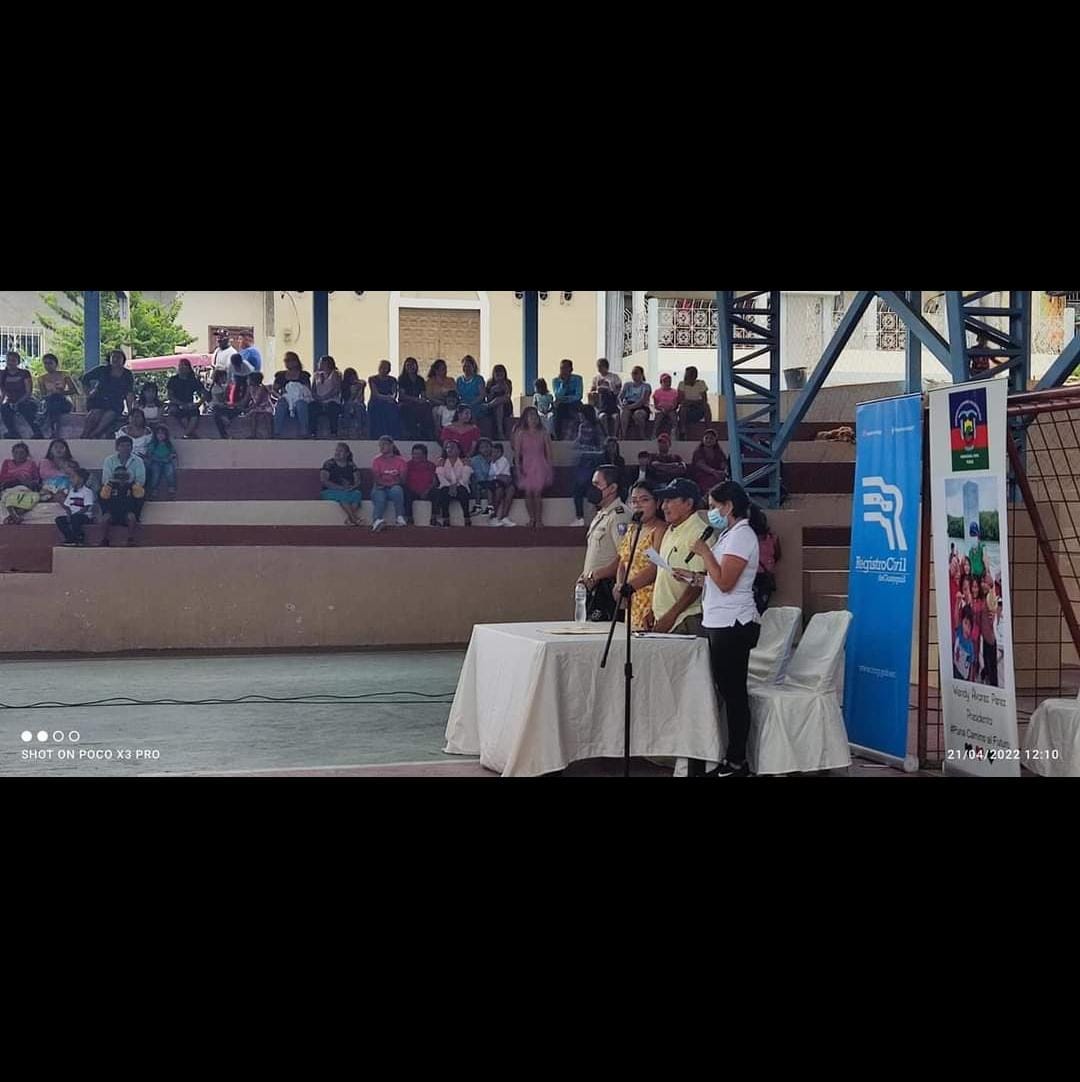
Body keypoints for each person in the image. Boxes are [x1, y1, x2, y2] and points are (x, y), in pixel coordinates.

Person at [675, 480, 763, 778]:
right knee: (725, 689)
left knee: (733, 693)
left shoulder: (742, 535)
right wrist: (693, 578)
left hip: (733, 623)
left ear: (728, 506)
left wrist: (704, 553)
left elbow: (726, 582)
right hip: (718, 621)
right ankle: (728, 756)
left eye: (714, 506)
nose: (710, 512)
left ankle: (737, 761)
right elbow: (715, 579)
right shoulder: (728, 535)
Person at [649, 478, 706, 636]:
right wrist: (654, 609)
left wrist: (670, 616)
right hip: (664, 619)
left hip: (684, 619)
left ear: (688, 503)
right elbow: (663, 573)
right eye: (663, 501)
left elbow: (697, 585)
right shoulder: (671, 529)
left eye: (669, 501)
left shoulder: (699, 532)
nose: (663, 507)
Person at [576, 465, 630, 621]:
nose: (592, 489)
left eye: (597, 484)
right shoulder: (602, 514)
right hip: (593, 587)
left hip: (607, 588)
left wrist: (595, 575)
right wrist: (586, 576)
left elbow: (624, 557)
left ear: (612, 488)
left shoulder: (619, 515)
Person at [613, 481, 668, 631]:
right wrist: (619, 585)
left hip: (650, 599)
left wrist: (629, 586)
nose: (638, 505)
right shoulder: (632, 529)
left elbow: (656, 568)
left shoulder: (660, 529)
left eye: (644, 500)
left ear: (657, 503)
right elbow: (623, 562)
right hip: (630, 598)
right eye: (634, 501)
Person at [99, 436, 146, 546]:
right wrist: (117, 482)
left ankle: (130, 539)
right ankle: (104, 539)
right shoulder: (109, 460)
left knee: (132, 516)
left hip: (131, 490)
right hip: (112, 493)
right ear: (117, 447)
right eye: (122, 445)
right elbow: (105, 480)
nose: (125, 448)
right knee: (105, 517)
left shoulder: (138, 461)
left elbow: (141, 480)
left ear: (132, 447)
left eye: (128, 445)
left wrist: (127, 482)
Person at [513, 407, 554, 528]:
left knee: (537, 493)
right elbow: (517, 454)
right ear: (525, 418)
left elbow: (549, 453)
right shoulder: (520, 433)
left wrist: (550, 469)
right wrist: (518, 469)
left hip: (540, 465)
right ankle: (531, 518)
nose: (533, 418)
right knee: (528, 493)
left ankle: (539, 519)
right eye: (530, 416)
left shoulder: (544, 433)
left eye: (535, 416)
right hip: (526, 465)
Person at [81, 350, 136, 440]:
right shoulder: (102, 370)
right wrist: (88, 393)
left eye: (118, 357)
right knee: (95, 413)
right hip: (98, 400)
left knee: (110, 415)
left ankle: (95, 434)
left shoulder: (127, 374)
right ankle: (84, 435)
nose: (115, 359)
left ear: (123, 360)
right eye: (113, 357)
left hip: (115, 403)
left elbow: (129, 394)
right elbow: (85, 378)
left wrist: (130, 412)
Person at [571, 406, 607, 527]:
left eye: (581, 414)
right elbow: (577, 444)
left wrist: (584, 449)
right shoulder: (584, 426)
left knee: (591, 490)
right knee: (580, 490)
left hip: (592, 463)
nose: (579, 416)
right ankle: (583, 517)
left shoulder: (594, 427)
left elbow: (601, 447)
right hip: (586, 463)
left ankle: (589, 517)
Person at [1, 351, 43, 440]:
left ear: (18, 362)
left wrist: (18, 402)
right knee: (4, 408)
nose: (10, 363)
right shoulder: (3, 374)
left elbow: (28, 392)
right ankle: (12, 432)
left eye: (13, 360)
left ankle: (37, 432)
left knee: (25, 408)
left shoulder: (24, 373)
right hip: (10, 401)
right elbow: (3, 392)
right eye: (8, 360)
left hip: (25, 400)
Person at [320, 442, 365, 527]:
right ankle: (354, 519)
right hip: (329, 491)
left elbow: (358, 481)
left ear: (347, 454)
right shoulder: (328, 464)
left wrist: (352, 487)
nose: (337, 453)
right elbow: (324, 480)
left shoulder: (351, 465)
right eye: (337, 450)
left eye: (340, 451)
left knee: (357, 494)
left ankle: (349, 519)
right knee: (343, 497)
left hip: (347, 491)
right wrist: (340, 488)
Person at [37, 354, 80, 439]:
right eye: (45, 363)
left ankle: (51, 428)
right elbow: (43, 395)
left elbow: (75, 390)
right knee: (53, 402)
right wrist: (50, 394)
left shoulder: (64, 374)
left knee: (56, 399)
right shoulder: (41, 378)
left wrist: (62, 392)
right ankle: (54, 431)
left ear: (56, 364)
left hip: (64, 401)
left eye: (50, 363)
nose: (48, 366)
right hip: (51, 402)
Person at [370, 436, 408, 532]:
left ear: (391, 445)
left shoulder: (401, 461)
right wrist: (388, 484)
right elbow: (376, 479)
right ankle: (376, 521)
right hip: (380, 487)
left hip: (394, 487)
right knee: (380, 497)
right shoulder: (376, 460)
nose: (382, 447)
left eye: (384, 444)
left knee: (397, 490)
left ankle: (400, 517)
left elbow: (402, 480)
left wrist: (390, 484)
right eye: (380, 445)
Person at [272, 352, 313, 438]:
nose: (286, 363)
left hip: (300, 397)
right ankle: (276, 431)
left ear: (295, 362)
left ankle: (304, 431)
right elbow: (274, 390)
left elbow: (307, 390)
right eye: (285, 361)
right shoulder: (281, 375)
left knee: (301, 404)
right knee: (281, 403)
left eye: (289, 360)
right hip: (286, 397)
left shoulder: (303, 375)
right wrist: (280, 396)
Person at [434, 440, 473, 528]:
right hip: (446, 486)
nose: (449, 449)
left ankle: (467, 517)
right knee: (443, 492)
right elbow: (441, 478)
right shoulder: (441, 461)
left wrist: (455, 486)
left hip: (461, 485)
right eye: (448, 447)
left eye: (452, 447)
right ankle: (445, 518)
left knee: (462, 491)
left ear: (459, 450)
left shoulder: (465, 461)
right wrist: (450, 486)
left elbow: (465, 478)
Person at [0, 442, 41, 524]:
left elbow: (37, 480)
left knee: (35, 497)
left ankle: (11, 516)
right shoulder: (7, 462)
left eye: (22, 453)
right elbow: (2, 478)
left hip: (25, 487)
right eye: (16, 452)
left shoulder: (31, 464)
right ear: (12, 453)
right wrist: (17, 478)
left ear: (27, 454)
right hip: (9, 487)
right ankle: (13, 515)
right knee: (7, 496)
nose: (19, 455)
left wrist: (27, 482)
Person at [168, 358, 209, 440]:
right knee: (179, 414)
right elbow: (170, 396)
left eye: (184, 366)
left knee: (194, 414)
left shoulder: (193, 380)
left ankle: (186, 434)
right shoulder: (173, 380)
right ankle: (191, 434)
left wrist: (198, 404)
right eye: (180, 366)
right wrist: (181, 404)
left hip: (190, 405)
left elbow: (205, 393)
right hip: (176, 405)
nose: (181, 368)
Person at [55, 467, 96, 546]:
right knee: (59, 520)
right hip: (73, 515)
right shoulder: (71, 491)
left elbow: (86, 508)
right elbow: (67, 506)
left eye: (73, 477)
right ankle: (70, 538)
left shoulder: (87, 491)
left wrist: (74, 515)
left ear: (81, 480)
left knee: (75, 519)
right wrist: (68, 514)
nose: (71, 480)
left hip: (84, 516)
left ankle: (80, 538)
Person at [753, 511, 782, 614]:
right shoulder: (773, 538)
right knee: (762, 606)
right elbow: (777, 555)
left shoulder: (749, 539)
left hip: (753, 576)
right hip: (766, 575)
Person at [403, 444, 438, 526]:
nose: (415, 456)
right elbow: (404, 481)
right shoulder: (408, 465)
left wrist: (427, 490)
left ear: (425, 455)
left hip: (427, 491)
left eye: (418, 454)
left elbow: (434, 481)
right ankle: (409, 518)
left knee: (436, 492)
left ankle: (433, 518)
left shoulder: (431, 465)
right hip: (412, 491)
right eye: (414, 454)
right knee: (405, 492)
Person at [310, 356, 343, 438]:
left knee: (332, 408)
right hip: (319, 401)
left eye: (321, 362)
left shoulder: (335, 374)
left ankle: (333, 432)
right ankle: (312, 432)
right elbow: (313, 390)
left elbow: (336, 389)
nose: (319, 364)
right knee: (312, 407)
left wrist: (325, 397)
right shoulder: (316, 375)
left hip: (332, 400)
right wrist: (317, 398)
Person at [398, 357, 430, 440]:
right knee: (406, 408)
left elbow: (423, 394)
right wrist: (415, 399)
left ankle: (424, 433)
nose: (410, 367)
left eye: (412, 365)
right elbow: (402, 395)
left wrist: (423, 399)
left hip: (417, 402)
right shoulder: (402, 379)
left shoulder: (420, 379)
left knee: (426, 407)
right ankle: (409, 432)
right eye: (408, 365)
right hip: (405, 402)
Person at [589, 358, 623, 437]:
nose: (599, 368)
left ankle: (615, 435)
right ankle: (606, 436)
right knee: (602, 416)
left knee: (616, 417)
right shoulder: (596, 378)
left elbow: (619, 390)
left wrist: (610, 389)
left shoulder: (614, 377)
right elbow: (592, 391)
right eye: (598, 366)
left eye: (601, 366)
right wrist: (597, 390)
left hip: (612, 402)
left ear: (606, 366)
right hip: (601, 404)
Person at [368, 360, 401, 442]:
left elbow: (394, 393)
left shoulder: (393, 380)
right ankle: (377, 435)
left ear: (389, 369)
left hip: (389, 402)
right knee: (378, 408)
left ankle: (392, 434)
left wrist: (391, 398)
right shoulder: (372, 379)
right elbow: (375, 394)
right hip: (377, 401)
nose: (383, 369)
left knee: (392, 408)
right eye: (381, 367)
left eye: (385, 368)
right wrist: (387, 398)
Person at [553, 359, 584, 440]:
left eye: (566, 368)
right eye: (561, 368)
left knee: (579, 409)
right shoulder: (556, 381)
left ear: (571, 369)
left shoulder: (578, 379)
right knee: (557, 409)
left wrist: (566, 399)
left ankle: (580, 435)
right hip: (562, 404)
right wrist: (563, 383)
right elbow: (558, 395)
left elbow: (578, 396)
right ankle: (558, 437)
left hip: (574, 403)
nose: (563, 370)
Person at [677, 367, 712, 439]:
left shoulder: (701, 383)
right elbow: (681, 401)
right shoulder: (682, 384)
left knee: (706, 406)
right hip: (687, 409)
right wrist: (695, 402)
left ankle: (709, 430)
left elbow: (704, 399)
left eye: (690, 375)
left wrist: (691, 402)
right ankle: (683, 431)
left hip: (698, 408)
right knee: (683, 408)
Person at [618, 366, 652, 439]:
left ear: (641, 374)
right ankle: (624, 436)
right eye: (633, 373)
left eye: (636, 373)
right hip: (628, 404)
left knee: (638, 414)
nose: (634, 375)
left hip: (641, 406)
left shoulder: (646, 386)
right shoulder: (627, 385)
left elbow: (643, 400)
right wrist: (622, 405)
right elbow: (620, 397)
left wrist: (630, 407)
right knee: (624, 413)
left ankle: (642, 435)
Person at [426, 360, 457, 437]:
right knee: (436, 411)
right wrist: (441, 403)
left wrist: (448, 402)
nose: (445, 371)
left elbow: (454, 393)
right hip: (435, 404)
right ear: (436, 370)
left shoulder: (451, 380)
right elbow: (429, 396)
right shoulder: (430, 381)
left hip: (450, 403)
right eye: (442, 369)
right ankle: (438, 431)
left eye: (445, 368)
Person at [147, 424, 179, 500]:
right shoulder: (153, 445)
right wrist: (158, 459)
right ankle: (154, 489)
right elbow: (150, 455)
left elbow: (173, 453)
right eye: (158, 433)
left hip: (167, 461)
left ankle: (171, 487)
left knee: (170, 471)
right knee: (155, 474)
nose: (161, 435)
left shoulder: (168, 445)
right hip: (156, 461)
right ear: (155, 435)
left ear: (166, 435)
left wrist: (170, 457)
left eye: (163, 433)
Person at [488, 442, 517, 527]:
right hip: (498, 483)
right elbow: (491, 475)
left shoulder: (504, 460)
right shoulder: (492, 462)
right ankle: (493, 517)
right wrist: (496, 475)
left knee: (511, 491)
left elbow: (497, 473)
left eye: (497, 452)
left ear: (501, 452)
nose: (495, 454)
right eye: (493, 452)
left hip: (506, 482)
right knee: (498, 492)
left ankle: (504, 516)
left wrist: (496, 476)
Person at [484, 364, 514, 440]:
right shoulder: (489, 383)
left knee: (500, 403)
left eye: (501, 373)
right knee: (499, 406)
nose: (499, 375)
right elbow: (488, 398)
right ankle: (500, 432)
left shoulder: (508, 382)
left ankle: (489, 405)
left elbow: (508, 397)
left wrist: (505, 388)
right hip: (492, 408)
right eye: (497, 373)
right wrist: (492, 391)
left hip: (506, 406)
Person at [456, 355, 487, 421]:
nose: (466, 368)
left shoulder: (479, 379)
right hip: (463, 405)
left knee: (470, 412)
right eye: (464, 366)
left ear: (473, 366)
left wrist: (471, 404)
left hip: (476, 405)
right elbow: (457, 395)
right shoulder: (459, 380)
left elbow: (482, 395)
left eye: (468, 366)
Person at [980, 581, 999, 687]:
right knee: (987, 660)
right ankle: (986, 674)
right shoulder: (983, 597)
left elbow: (993, 613)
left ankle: (993, 684)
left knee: (991, 665)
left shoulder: (990, 597)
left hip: (990, 638)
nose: (983, 584)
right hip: (985, 636)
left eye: (985, 582)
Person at [470, 438, 496, 517]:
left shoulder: (496, 457)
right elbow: (479, 477)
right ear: (478, 449)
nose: (485, 449)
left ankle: (492, 510)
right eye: (482, 447)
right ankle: (478, 506)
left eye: (487, 446)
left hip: (494, 484)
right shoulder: (475, 460)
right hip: (480, 485)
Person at [244, 372, 274, 439]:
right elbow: (246, 399)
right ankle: (253, 434)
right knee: (253, 415)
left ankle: (270, 434)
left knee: (267, 416)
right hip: (256, 407)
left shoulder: (262, 388)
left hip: (265, 406)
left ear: (254, 380)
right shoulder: (249, 388)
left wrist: (248, 409)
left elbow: (258, 401)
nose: (247, 380)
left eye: (248, 379)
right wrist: (240, 407)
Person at [341, 369, 368, 439]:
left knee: (358, 408)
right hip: (348, 403)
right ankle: (346, 430)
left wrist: (356, 385)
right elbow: (346, 398)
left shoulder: (360, 384)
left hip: (359, 403)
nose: (352, 378)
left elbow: (363, 383)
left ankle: (360, 430)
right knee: (348, 407)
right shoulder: (344, 386)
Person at [953, 606, 977, 682]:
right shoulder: (959, 632)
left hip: (963, 676)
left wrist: (970, 681)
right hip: (955, 669)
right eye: (965, 623)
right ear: (962, 622)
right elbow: (956, 616)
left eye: (969, 625)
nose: (967, 627)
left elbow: (971, 665)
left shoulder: (970, 645)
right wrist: (958, 602)